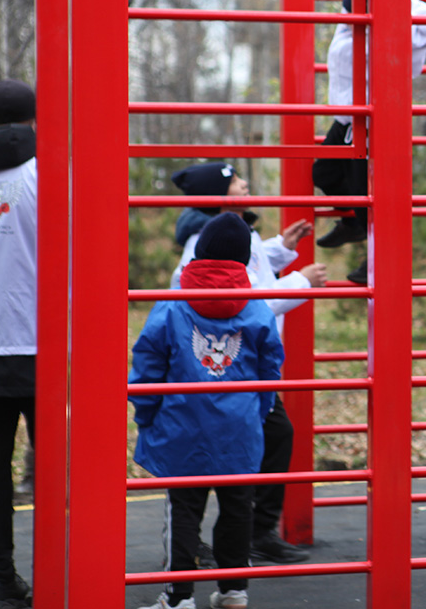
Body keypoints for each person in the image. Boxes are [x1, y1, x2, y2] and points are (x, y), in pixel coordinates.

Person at [170, 162, 323, 567]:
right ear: (218, 197)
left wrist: (281, 248)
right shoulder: (204, 240)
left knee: (268, 439)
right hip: (229, 364)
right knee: (236, 451)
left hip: (241, 363)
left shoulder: (235, 232)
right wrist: (301, 281)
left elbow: (251, 268)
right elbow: (246, 301)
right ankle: (227, 541)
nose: (245, 185)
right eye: (236, 182)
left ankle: (246, 535)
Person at [131, 213, 285, 609]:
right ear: (244, 259)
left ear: (199, 253)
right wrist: (257, 414)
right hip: (239, 428)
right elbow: (271, 370)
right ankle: (234, 590)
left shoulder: (172, 305)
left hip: (182, 427)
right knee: (238, 507)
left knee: (184, 510)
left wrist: (146, 416)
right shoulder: (257, 309)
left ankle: (179, 596)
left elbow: (147, 367)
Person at [312, 0, 426, 285]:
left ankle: (377, 259)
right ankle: (354, 223)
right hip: (347, 116)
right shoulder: (354, 7)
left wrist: (384, 13)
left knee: (367, 194)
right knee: (323, 172)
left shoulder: (410, 16)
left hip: (373, 116)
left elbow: (410, 38)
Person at [0, 80, 37, 609]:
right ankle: (68, 566)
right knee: (57, 466)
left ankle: (2, 579)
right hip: (38, 340)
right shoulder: (47, 176)